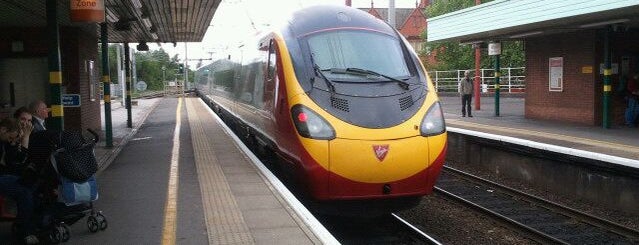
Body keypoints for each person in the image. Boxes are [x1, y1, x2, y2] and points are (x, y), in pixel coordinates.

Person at [0, 118, 38, 244]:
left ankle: (27, 226)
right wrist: (24, 139)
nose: (11, 141)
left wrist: (17, 141)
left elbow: (17, 162)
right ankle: (26, 231)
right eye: (11, 138)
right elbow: (15, 163)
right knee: (24, 191)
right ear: (4, 130)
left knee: (30, 186)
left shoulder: (5, 141)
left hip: (5, 176)